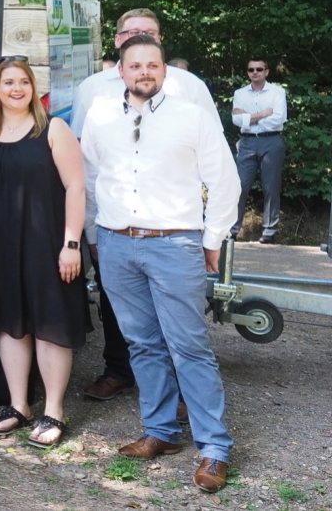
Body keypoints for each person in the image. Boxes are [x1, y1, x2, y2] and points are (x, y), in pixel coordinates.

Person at [82, 34, 239, 493]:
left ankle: (214, 448)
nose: (144, 72)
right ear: (122, 71)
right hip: (116, 243)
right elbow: (91, 176)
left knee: (189, 346)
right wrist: (95, 235)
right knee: (142, 344)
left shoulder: (191, 117)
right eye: (135, 66)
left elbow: (224, 180)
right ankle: (162, 432)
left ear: (164, 71)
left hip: (174, 243)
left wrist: (211, 239)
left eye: (153, 65)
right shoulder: (101, 115)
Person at [70, 8, 215, 411]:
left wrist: (210, 231)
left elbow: (215, 161)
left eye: (147, 34)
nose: (137, 39)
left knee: (179, 323)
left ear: (160, 45)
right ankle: (119, 371)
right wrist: (93, 229)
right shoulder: (93, 91)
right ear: (117, 42)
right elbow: (87, 163)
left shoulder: (188, 88)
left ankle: (183, 394)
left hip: (173, 228)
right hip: (115, 225)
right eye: (130, 33)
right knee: (123, 314)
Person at [0, 56, 87, 448]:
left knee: (50, 326)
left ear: (34, 87)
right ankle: (18, 406)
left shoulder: (54, 129)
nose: (16, 89)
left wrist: (71, 244)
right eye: (8, 83)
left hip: (47, 244)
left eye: (23, 82)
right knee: (9, 325)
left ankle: (53, 411)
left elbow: (76, 188)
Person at [230, 59, 287, 243]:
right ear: (247, 72)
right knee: (239, 187)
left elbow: (278, 119)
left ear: (266, 72)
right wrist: (263, 114)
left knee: (271, 187)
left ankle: (269, 231)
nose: (255, 72)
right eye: (251, 69)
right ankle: (232, 230)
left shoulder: (277, 92)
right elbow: (236, 121)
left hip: (272, 141)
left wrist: (248, 117)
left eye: (259, 69)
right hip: (247, 143)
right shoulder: (239, 93)